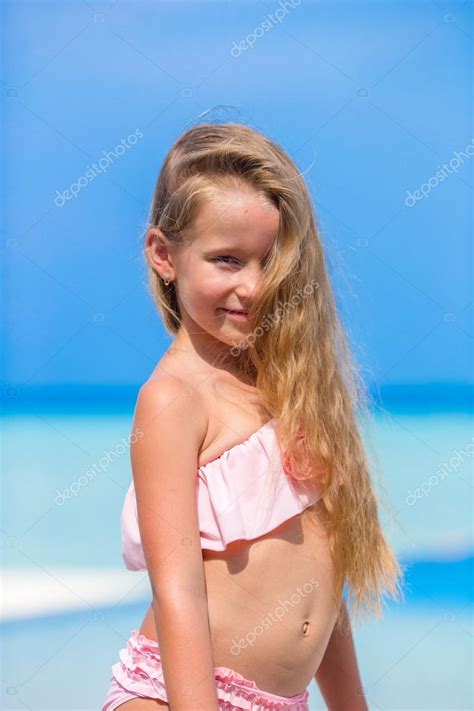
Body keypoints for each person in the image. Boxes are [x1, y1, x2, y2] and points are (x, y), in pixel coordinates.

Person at [101, 122, 403, 710]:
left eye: (271, 262)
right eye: (226, 259)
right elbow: (180, 593)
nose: (254, 286)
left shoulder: (291, 386)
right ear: (164, 255)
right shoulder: (173, 401)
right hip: (178, 697)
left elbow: (321, 584)